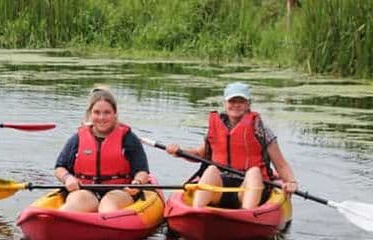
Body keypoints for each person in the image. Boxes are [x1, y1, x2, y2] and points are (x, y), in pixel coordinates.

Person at [165, 82, 298, 209]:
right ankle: (196, 212)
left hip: (251, 187)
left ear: (248, 104)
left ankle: (247, 215)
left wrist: (291, 182)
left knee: (254, 172)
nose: (236, 105)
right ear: (225, 103)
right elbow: (200, 155)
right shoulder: (216, 128)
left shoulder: (262, 131)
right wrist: (179, 152)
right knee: (211, 170)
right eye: (232, 101)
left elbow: (281, 164)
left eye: (241, 101)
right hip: (221, 187)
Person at [53, 87, 151, 213]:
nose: (102, 117)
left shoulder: (128, 139)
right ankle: (59, 222)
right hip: (85, 191)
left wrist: (137, 182)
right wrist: (67, 178)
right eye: (97, 112)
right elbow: (59, 167)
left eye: (107, 112)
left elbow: (142, 171)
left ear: (114, 113)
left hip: (120, 192)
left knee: (107, 207)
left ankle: (107, 225)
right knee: (72, 205)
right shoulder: (77, 138)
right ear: (90, 114)